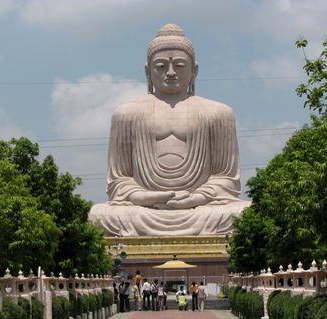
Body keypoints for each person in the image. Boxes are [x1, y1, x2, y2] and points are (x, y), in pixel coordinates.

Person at [89, 23, 251, 237]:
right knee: (99, 216)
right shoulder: (126, 114)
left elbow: (226, 178)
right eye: (161, 66)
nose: (171, 73)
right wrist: (148, 197)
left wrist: (196, 198)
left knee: (244, 213)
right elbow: (119, 180)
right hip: (145, 210)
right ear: (147, 71)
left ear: (195, 70)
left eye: (180, 65)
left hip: (200, 208)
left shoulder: (218, 113)